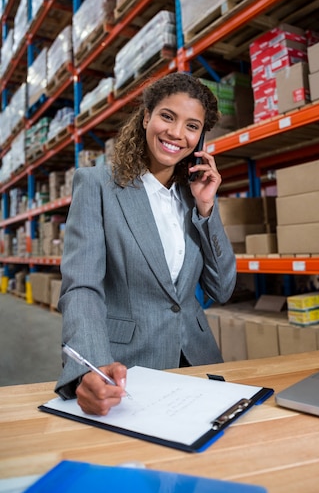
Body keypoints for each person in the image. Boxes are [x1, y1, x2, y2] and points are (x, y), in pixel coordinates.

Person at [55, 72, 237, 415]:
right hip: (127, 369)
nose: (176, 133)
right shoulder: (97, 185)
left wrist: (206, 207)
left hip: (197, 364)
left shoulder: (193, 194)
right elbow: (82, 287)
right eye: (167, 116)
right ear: (146, 117)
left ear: (199, 137)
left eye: (192, 126)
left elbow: (222, 288)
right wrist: (90, 366)